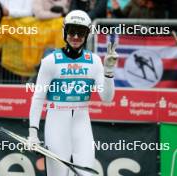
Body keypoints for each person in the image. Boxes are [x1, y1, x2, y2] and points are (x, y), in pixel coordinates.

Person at [27, 10, 117, 175]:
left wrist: (109, 71)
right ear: (64, 32)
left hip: (82, 125)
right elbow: (38, 98)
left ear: (88, 34)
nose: (75, 36)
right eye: (71, 31)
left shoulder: (95, 61)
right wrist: (33, 133)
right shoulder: (50, 61)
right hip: (56, 124)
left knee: (87, 173)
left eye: (81, 32)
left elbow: (107, 98)